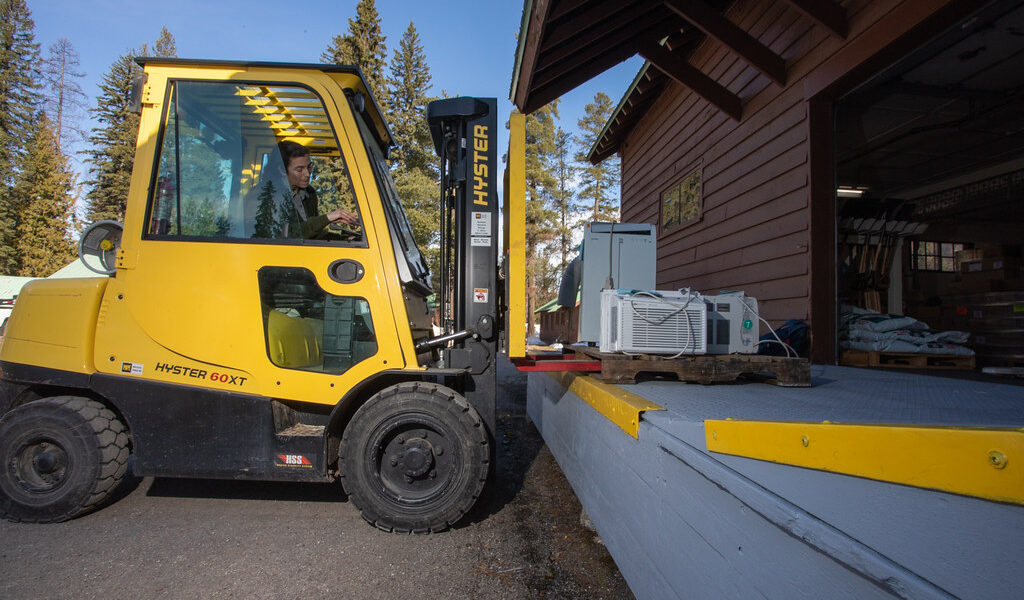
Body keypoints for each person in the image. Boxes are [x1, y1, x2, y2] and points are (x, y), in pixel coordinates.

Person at [278, 140, 358, 239]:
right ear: (282, 170)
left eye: (309, 167)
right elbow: (285, 234)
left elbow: (314, 235)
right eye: (299, 169)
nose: (307, 174)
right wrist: (327, 218)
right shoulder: (265, 196)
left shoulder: (309, 193)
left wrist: (346, 240)